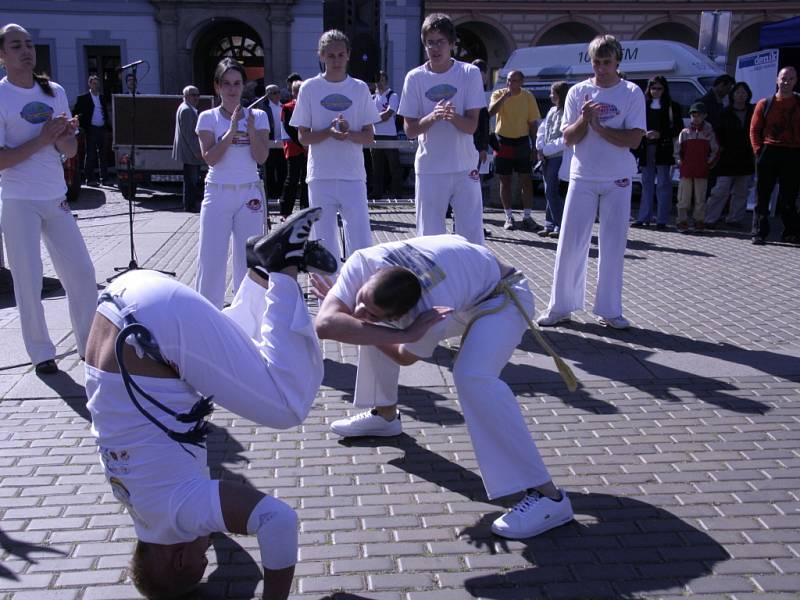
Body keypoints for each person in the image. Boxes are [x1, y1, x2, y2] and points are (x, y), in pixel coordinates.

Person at [85, 208, 336, 600]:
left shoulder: (178, 515)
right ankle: (262, 268)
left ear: (180, 560)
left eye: (202, 560)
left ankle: (284, 267)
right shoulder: (133, 500)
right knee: (229, 357)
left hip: (153, 328)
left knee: (287, 405)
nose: (209, 547)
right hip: (123, 303)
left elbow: (279, 522)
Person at [313, 234, 574, 540]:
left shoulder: (431, 310)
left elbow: (403, 356)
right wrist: (365, 320)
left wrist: (401, 334)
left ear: (405, 316)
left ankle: (549, 497)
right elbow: (325, 325)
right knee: (364, 329)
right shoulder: (361, 264)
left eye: (375, 313)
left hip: (502, 297)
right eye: (362, 301)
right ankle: (385, 416)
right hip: (467, 286)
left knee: (473, 376)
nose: (359, 310)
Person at [0, 23, 97, 375]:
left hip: (55, 197)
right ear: (2, 56)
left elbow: (68, 151)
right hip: (17, 199)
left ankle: (89, 346)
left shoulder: (53, 90)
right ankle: (41, 352)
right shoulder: (1, 95)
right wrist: (42, 140)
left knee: (82, 273)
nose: (26, 50)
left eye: (28, 44)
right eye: (15, 46)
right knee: (28, 279)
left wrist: (66, 136)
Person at [536, 35, 645, 331]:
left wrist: (600, 127)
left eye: (607, 62)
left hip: (618, 179)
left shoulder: (632, 92)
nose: (601, 68)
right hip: (582, 176)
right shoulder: (578, 91)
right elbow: (568, 138)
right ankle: (560, 306)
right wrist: (585, 121)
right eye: (597, 62)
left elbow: (634, 139)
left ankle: (609, 310)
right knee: (570, 243)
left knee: (612, 245)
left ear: (618, 62)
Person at [290, 29, 379, 270]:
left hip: (353, 176)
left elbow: (369, 137)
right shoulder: (309, 88)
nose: (336, 60)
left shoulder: (359, 88)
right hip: (320, 177)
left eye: (341, 55)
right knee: (323, 243)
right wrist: (328, 132)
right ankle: (327, 301)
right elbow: (303, 137)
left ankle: (361, 297)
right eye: (330, 56)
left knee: (360, 242)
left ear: (349, 55)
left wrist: (348, 133)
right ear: (321, 56)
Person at [398, 13, 486, 245]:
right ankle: (432, 282)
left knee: (472, 236)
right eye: (430, 42)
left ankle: (474, 280)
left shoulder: (469, 74)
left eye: (441, 42)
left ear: (452, 44)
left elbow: (471, 125)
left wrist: (452, 116)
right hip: (430, 169)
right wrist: (433, 117)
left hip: (464, 167)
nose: (435, 48)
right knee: (429, 239)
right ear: (424, 44)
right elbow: (409, 130)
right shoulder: (414, 78)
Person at [195, 58, 269, 308]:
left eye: (237, 83)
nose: (232, 89)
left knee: (249, 260)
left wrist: (249, 130)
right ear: (217, 86)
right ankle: (208, 316)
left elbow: (261, 156)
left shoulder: (257, 116)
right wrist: (230, 131)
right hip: (218, 193)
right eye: (226, 83)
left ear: (243, 86)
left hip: (249, 193)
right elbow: (211, 158)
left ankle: (246, 317)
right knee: (211, 259)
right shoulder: (207, 117)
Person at [750, 66, 800, 245]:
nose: (786, 82)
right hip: (768, 151)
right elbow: (754, 130)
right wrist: (758, 151)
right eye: (783, 78)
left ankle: (790, 232)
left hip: (793, 153)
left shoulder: (798, 103)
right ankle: (759, 232)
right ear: (777, 80)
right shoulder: (765, 103)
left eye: (791, 79)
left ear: (795, 81)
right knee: (762, 195)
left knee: (789, 197)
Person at [489, 69, 543, 232]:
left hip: (521, 142)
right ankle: (508, 216)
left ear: (521, 82)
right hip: (502, 141)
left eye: (514, 81)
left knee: (526, 180)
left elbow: (533, 124)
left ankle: (527, 216)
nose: (510, 84)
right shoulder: (499, 94)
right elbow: (490, 112)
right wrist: (505, 97)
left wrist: (534, 146)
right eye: (509, 81)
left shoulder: (528, 97)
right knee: (505, 181)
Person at [631, 76, 682, 229]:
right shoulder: (643, 105)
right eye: (653, 88)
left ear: (664, 89)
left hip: (664, 149)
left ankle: (662, 219)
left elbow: (678, 128)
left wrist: (660, 133)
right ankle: (643, 217)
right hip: (646, 149)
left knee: (663, 184)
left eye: (659, 88)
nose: (656, 91)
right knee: (646, 184)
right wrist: (644, 134)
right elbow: (636, 125)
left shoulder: (672, 106)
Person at [705, 82, 755, 230]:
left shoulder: (753, 112)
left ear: (748, 95)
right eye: (738, 92)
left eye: (743, 93)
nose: (741, 95)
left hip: (746, 157)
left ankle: (734, 219)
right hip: (726, 157)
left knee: (741, 191)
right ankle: (709, 218)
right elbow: (717, 134)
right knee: (720, 190)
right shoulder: (724, 113)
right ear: (732, 95)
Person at [674, 102, 719, 233]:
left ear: (705, 116)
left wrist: (708, 163)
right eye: (693, 115)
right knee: (683, 198)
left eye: (699, 115)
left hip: (702, 170)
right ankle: (682, 221)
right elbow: (677, 149)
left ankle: (699, 220)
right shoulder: (684, 132)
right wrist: (679, 162)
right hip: (686, 170)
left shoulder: (709, 133)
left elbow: (715, 150)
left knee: (700, 198)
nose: (696, 118)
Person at [535, 81, 570, 238]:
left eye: (553, 93)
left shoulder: (567, 112)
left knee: (552, 191)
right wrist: (540, 147)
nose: (550, 96)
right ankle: (549, 224)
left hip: (557, 156)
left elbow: (564, 139)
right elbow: (542, 129)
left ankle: (561, 225)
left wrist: (546, 150)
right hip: (546, 156)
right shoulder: (551, 110)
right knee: (548, 190)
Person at [370, 70, 403, 200]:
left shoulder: (392, 95)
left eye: (382, 79)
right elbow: (367, 115)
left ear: (386, 81)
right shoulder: (372, 98)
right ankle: (377, 192)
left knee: (394, 166)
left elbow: (388, 114)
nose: (379, 83)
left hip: (390, 136)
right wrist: (375, 117)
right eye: (377, 80)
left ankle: (396, 193)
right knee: (376, 167)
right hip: (375, 136)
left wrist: (373, 118)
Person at [72, 73, 110, 186]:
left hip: (102, 128)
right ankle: (90, 179)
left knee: (103, 154)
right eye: (93, 83)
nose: (95, 86)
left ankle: (105, 178)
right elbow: (75, 112)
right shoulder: (83, 98)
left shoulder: (102, 97)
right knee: (91, 154)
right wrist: (79, 120)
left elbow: (105, 111)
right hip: (91, 129)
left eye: (97, 84)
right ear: (89, 84)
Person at [279, 79, 308, 218]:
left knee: (306, 180)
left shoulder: (309, 107)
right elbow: (289, 128)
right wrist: (303, 143)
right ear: (294, 92)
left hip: (307, 148)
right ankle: (285, 211)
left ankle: (305, 209)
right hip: (294, 147)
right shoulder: (287, 107)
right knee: (292, 179)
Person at [172, 85, 203, 213]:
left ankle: (190, 205)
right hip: (190, 153)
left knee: (190, 181)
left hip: (188, 152)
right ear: (185, 96)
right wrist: (197, 152)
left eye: (197, 95)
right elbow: (189, 134)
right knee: (191, 181)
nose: (196, 98)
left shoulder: (187, 108)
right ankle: (190, 206)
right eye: (193, 95)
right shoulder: (186, 110)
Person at [263, 84, 288, 200]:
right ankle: (271, 193)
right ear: (267, 95)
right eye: (274, 93)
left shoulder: (283, 106)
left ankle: (280, 192)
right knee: (270, 170)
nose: (278, 95)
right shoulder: (263, 108)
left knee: (283, 169)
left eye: (278, 92)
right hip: (269, 143)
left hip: (282, 143)